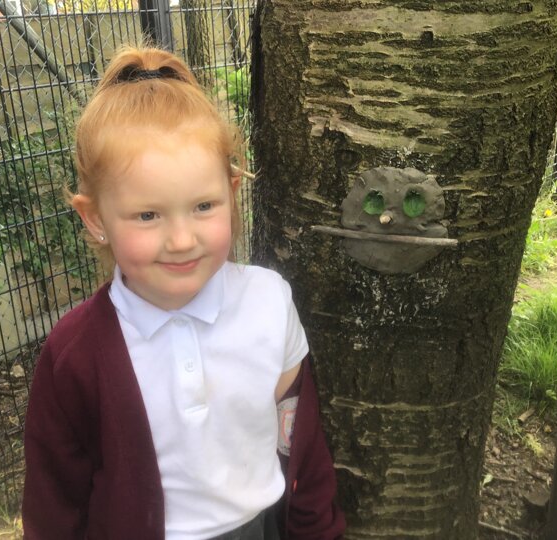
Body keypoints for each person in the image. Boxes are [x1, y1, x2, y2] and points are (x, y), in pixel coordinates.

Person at [22, 46, 345, 540]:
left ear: (232, 191)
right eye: (148, 215)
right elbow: (54, 502)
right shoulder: (73, 354)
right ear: (95, 218)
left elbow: (301, 446)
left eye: (203, 206)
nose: (180, 240)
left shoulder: (269, 303)